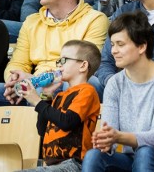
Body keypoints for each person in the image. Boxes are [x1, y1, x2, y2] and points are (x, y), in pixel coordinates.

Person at [82, 11, 154, 172]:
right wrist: (105, 142)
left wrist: (118, 136)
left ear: (142, 46)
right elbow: (111, 136)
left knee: (146, 152)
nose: (113, 51)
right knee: (94, 156)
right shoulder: (114, 83)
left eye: (120, 44)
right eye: (112, 44)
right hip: (134, 157)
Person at [17, 40, 101, 172]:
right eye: (59, 61)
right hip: (51, 165)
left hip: (74, 164)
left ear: (83, 66)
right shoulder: (59, 96)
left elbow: (67, 122)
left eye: (64, 61)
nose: (59, 66)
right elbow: (42, 129)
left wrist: (36, 101)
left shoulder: (87, 92)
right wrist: (46, 94)